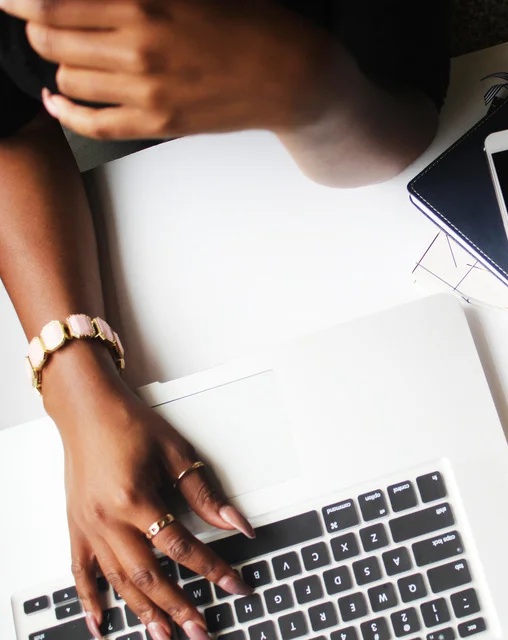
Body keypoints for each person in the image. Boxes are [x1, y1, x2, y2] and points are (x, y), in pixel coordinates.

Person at [0, 1, 449, 639]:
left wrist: (301, 80)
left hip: (347, 171)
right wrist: (74, 383)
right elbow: (10, 133)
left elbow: (403, 122)